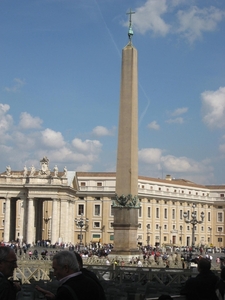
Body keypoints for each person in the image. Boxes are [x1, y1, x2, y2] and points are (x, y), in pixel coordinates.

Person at [36, 250, 105, 300]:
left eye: (55, 269)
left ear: (66, 268)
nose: (54, 273)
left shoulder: (66, 290)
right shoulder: (91, 282)